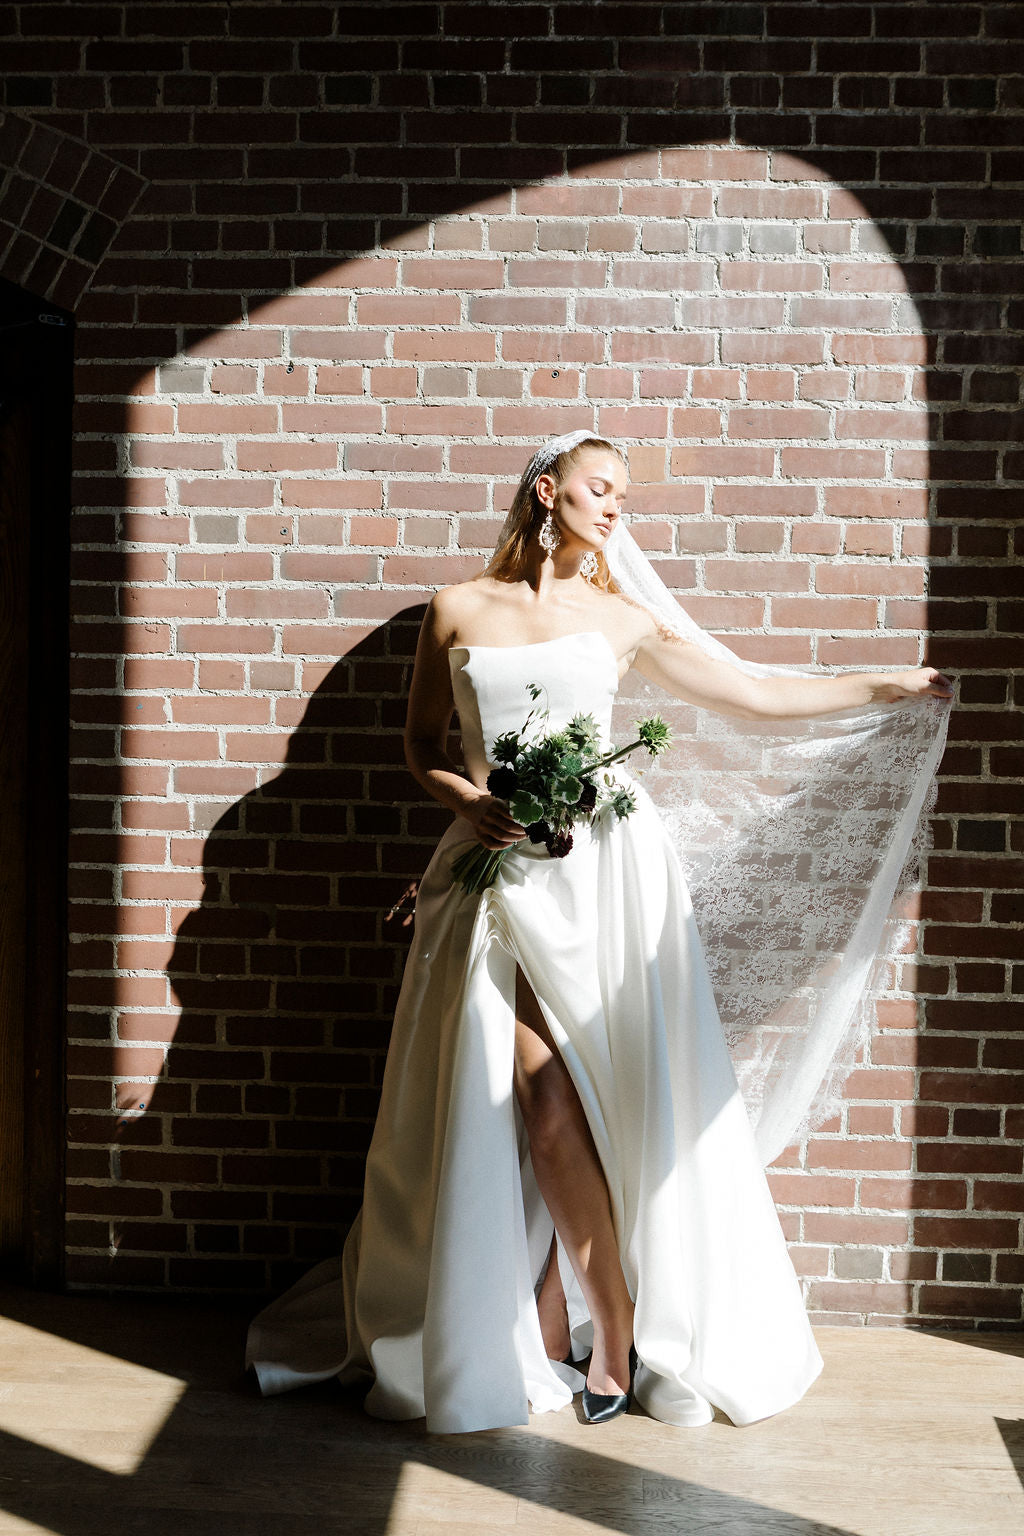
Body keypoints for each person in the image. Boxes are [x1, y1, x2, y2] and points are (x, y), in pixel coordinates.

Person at [246, 431, 954, 1434]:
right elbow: (422, 744)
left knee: (581, 1103)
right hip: (495, 876)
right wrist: (466, 801)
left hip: (602, 877)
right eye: (601, 486)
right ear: (548, 492)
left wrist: (883, 684)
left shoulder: (622, 618)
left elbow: (753, 693)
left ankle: (595, 1322)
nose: (617, 506)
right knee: (530, 1101)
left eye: (624, 493)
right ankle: (582, 1321)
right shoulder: (457, 608)